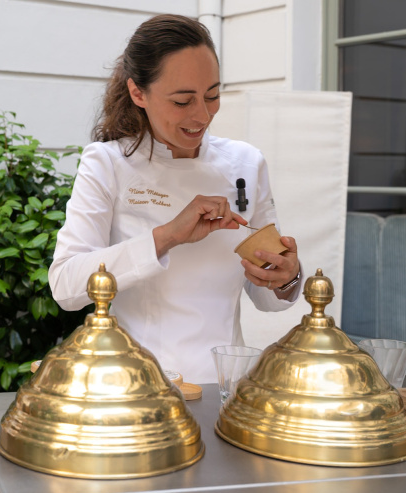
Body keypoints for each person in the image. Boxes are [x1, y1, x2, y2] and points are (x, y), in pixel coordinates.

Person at [48, 14, 302, 383]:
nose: (202, 115)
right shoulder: (107, 163)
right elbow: (66, 287)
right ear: (139, 93)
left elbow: (265, 296)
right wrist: (167, 236)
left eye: (212, 95)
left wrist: (286, 278)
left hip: (225, 387)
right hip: (137, 388)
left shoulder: (246, 163)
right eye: (183, 101)